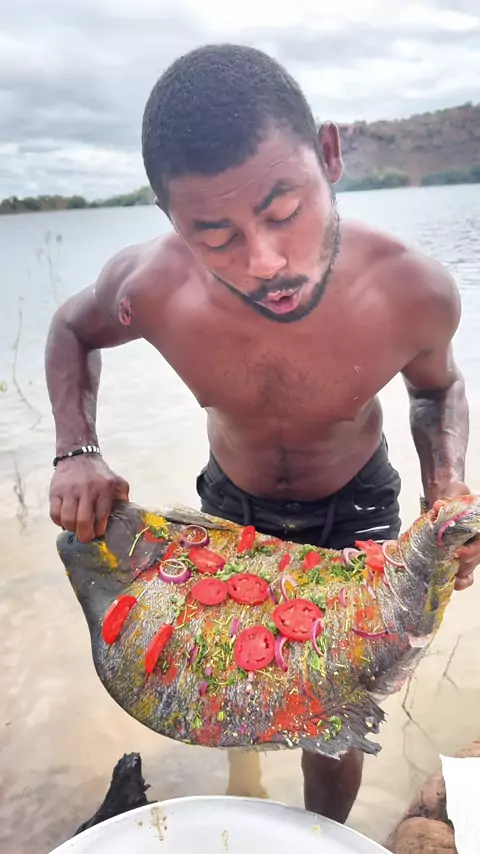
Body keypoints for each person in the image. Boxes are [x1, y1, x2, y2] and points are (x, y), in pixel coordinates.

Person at [45, 44, 479, 823]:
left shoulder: (412, 289)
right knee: (221, 673)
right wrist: (77, 451)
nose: (265, 260)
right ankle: (243, 782)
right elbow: (70, 330)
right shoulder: (149, 287)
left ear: (330, 156)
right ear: (170, 220)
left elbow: (437, 387)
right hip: (230, 505)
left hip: (354, 508)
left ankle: (319, 834)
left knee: (335, 714)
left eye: (284, 211)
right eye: (215, 236)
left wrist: (445, 488)